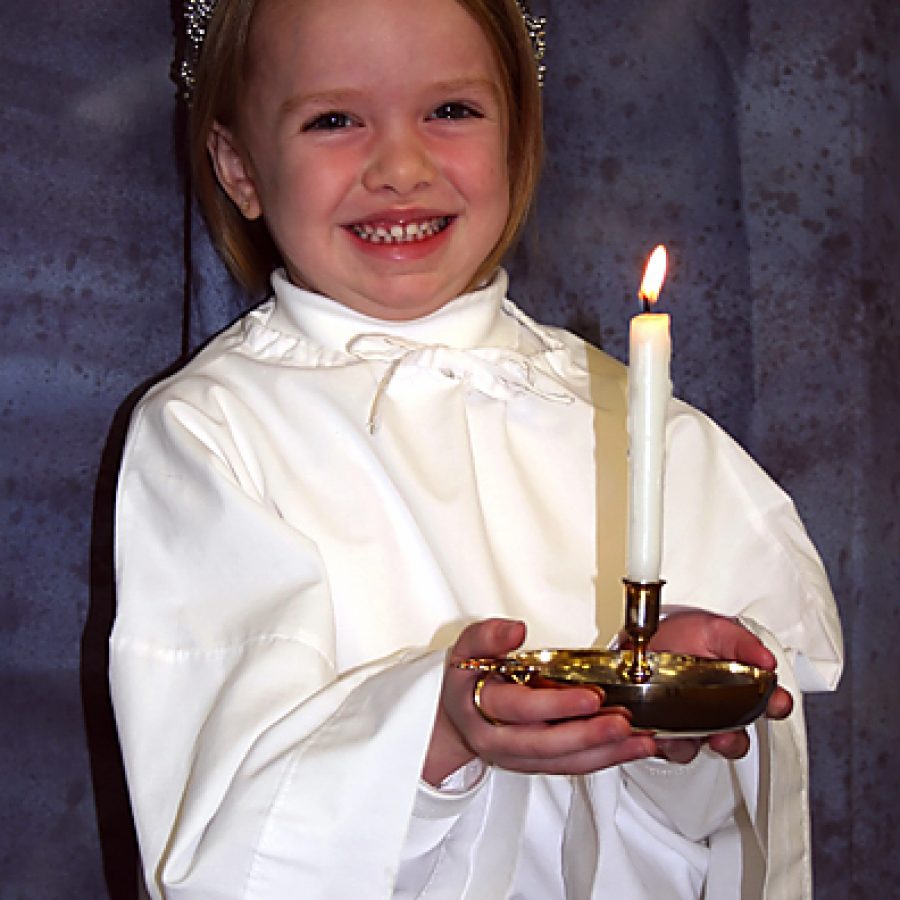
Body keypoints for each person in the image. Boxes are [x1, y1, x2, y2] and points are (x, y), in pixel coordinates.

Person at [109, 0, 843, 897]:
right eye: (333, 119)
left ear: (518, 128)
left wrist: (675, 725)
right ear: (240, 166)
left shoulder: (634, 421)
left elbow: (729, 835)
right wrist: (438, 731)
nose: (402, 167)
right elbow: (222, 831)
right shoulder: (214, 433)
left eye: (451, 111)